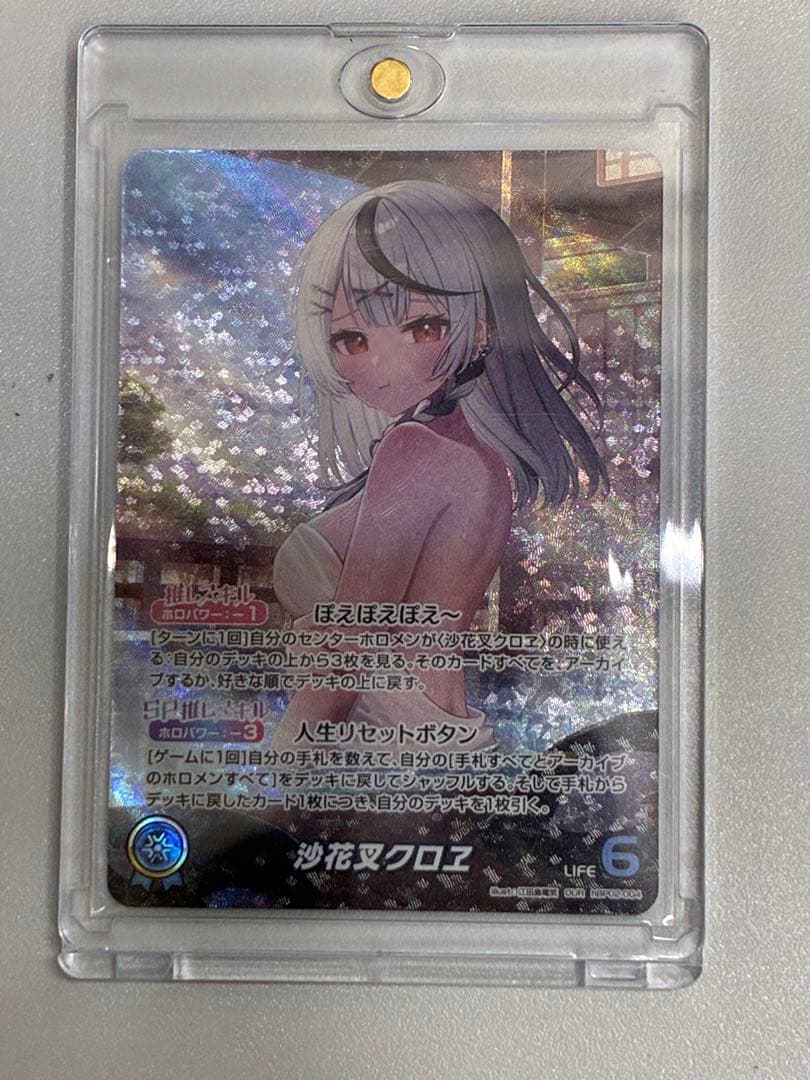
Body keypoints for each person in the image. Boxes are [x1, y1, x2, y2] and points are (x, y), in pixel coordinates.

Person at [271, 180, 607, 751]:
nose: (381, 363)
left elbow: (352, 645)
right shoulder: (481, 462)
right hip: (432, 735)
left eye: (422, 328)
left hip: (386, 740)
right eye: (351, 339)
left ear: (481, 327)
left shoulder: (415, 449)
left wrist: (280, 766)